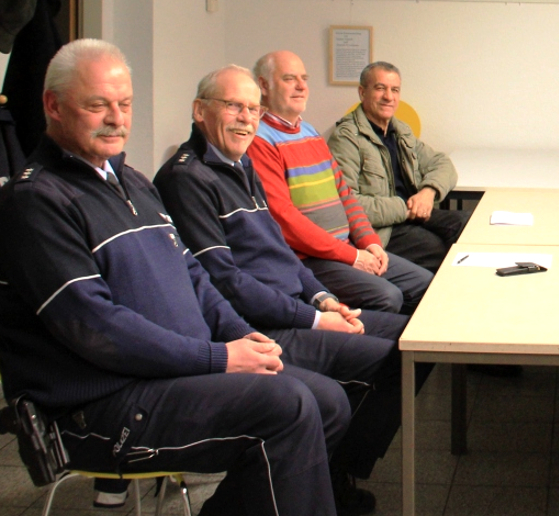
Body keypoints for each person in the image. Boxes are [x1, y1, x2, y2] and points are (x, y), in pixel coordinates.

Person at [0, 39, 349, 516]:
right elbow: (96, 327)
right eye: (97, 104)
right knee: (287, 404)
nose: (116, 118)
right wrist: (219, 357)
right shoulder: (37, 200)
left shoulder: (134, 182)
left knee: (327, 400)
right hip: (102, 404)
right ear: (53, 106)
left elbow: (195, 277)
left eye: (123, 105)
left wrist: (241, 335)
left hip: (172, 374)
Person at [153, 64, 431, 516]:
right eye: (234, 107)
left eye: (252, 109)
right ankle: (331, 475)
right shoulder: (187, 179)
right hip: (261, 326)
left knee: (418, 342)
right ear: (200, 111)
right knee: (382, 366)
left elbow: (280, 250)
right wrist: (316, 319)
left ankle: (336, 466)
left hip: (298, 305)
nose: (246, 118)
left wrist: (322, 297)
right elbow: (226, 281)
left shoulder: (241, 163)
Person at [247, 51, 431, 315]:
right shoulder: (260, 141)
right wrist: (353, 257)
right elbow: (284, 220)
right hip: (309, 260)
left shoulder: (309, 132)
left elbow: (345, 195)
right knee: (388, 297)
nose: (301, 86)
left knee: (426, 285)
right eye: (290, 79)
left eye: (304, 79)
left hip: (345, 248)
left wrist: (370, 243)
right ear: (264, 86)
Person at [328, 61, 469, 274]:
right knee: (441, 251)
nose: (389, 97)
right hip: (382, 230)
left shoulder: (400, 130)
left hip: (413, 214)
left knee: (469, 225)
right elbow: (348, 202)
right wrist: (405, 208)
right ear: (362, 92)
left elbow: (443, 163)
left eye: (394, 90)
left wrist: (428, 193)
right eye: (380, 88)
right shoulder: (346, 138)